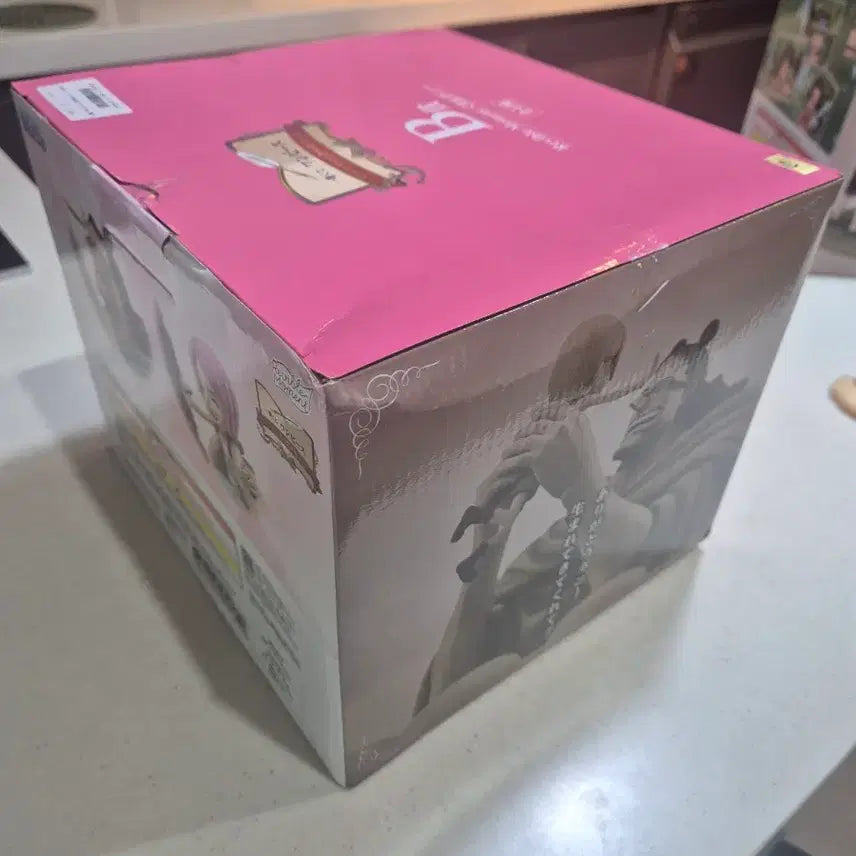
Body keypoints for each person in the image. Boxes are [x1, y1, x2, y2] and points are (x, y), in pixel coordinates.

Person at [415, 319, 756, 714]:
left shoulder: (709, 452)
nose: (639, 403)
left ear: (692, 393)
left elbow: (644, 570)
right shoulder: (566, 531)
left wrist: (583, 490)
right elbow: (447, 694)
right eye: (643, 393)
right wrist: (489, 544)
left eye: (661, 388)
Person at [184, 337, 259, 510]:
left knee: (230, 461)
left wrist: (193, 404)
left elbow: (217, 421)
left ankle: (243, 489)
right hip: (225, 440)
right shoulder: (212, 391)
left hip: (226, 437)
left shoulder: (217, 397)